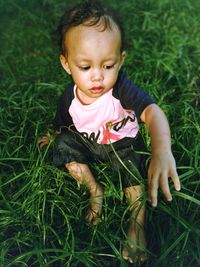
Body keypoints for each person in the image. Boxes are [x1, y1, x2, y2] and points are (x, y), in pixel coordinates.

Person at [39, 0, 181, 263]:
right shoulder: (68, 99)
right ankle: (94, 189)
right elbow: (63, 124)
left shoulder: (121, 89)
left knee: (130, 168)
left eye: (108, 65)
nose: (97, 77)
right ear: (66, 64)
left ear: (121, 60)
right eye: (85, 67)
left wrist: (161, 149)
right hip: (88, 142)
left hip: (121, 144)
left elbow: (153, 112)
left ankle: (136, 224)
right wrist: (56, 136)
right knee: (63, 146)